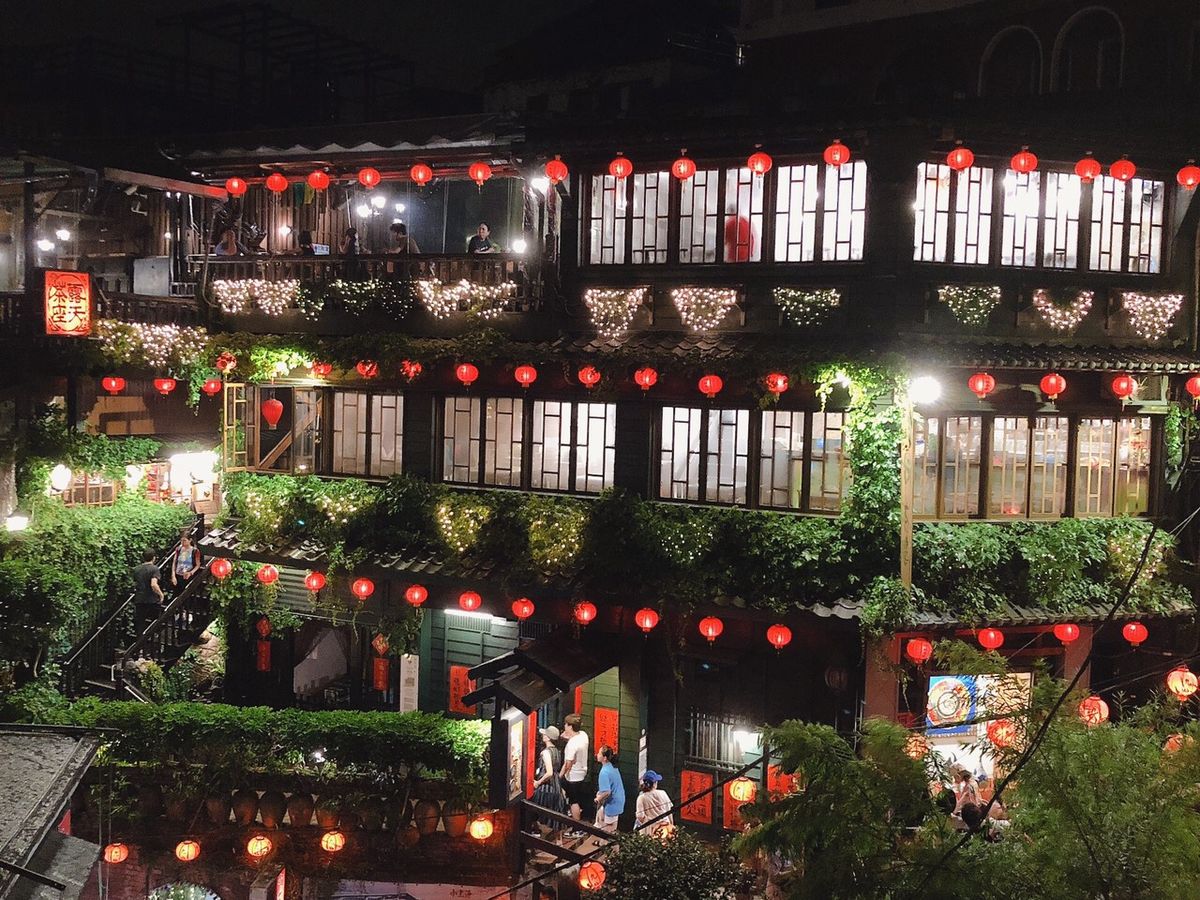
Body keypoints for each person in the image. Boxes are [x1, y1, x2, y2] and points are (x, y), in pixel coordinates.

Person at [531, 725, 569, 832]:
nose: (542, 735)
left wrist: (538, 782)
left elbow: (549, 773)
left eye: (544, 734)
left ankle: (538, 832)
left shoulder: (546, 752)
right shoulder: (557, 751)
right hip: (556, 786)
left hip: (546, 788)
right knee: (554, 815)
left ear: (547, 737)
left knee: (537, 811)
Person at [559, 714, 590, 827]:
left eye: (566, 725)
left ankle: (576, 827)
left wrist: (561, 775)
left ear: (570, 726)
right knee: (575, 798)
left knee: (574, 801)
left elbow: (568, 763)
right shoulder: (583, 735)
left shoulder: (572, 744)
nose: (564, 726)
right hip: (582, 771)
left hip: (573, 775)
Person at [593, 745, 625, 834]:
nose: (597, 755)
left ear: (605, 758)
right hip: (618, 800)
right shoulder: (612, 767)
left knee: (608, 832)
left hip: (612, 803)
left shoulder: (604, 772)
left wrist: (598, 798)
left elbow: (607, 792)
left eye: (599, 753)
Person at [133, 549, 165, 633]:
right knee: (155, 621)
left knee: (140, 622)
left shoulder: (137, 569)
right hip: (151, 599)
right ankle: (154, 635)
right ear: (154, 558)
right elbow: (153, 584)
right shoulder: (154, 569)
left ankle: (140, 638)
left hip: (139, 598)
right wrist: (161, 594)